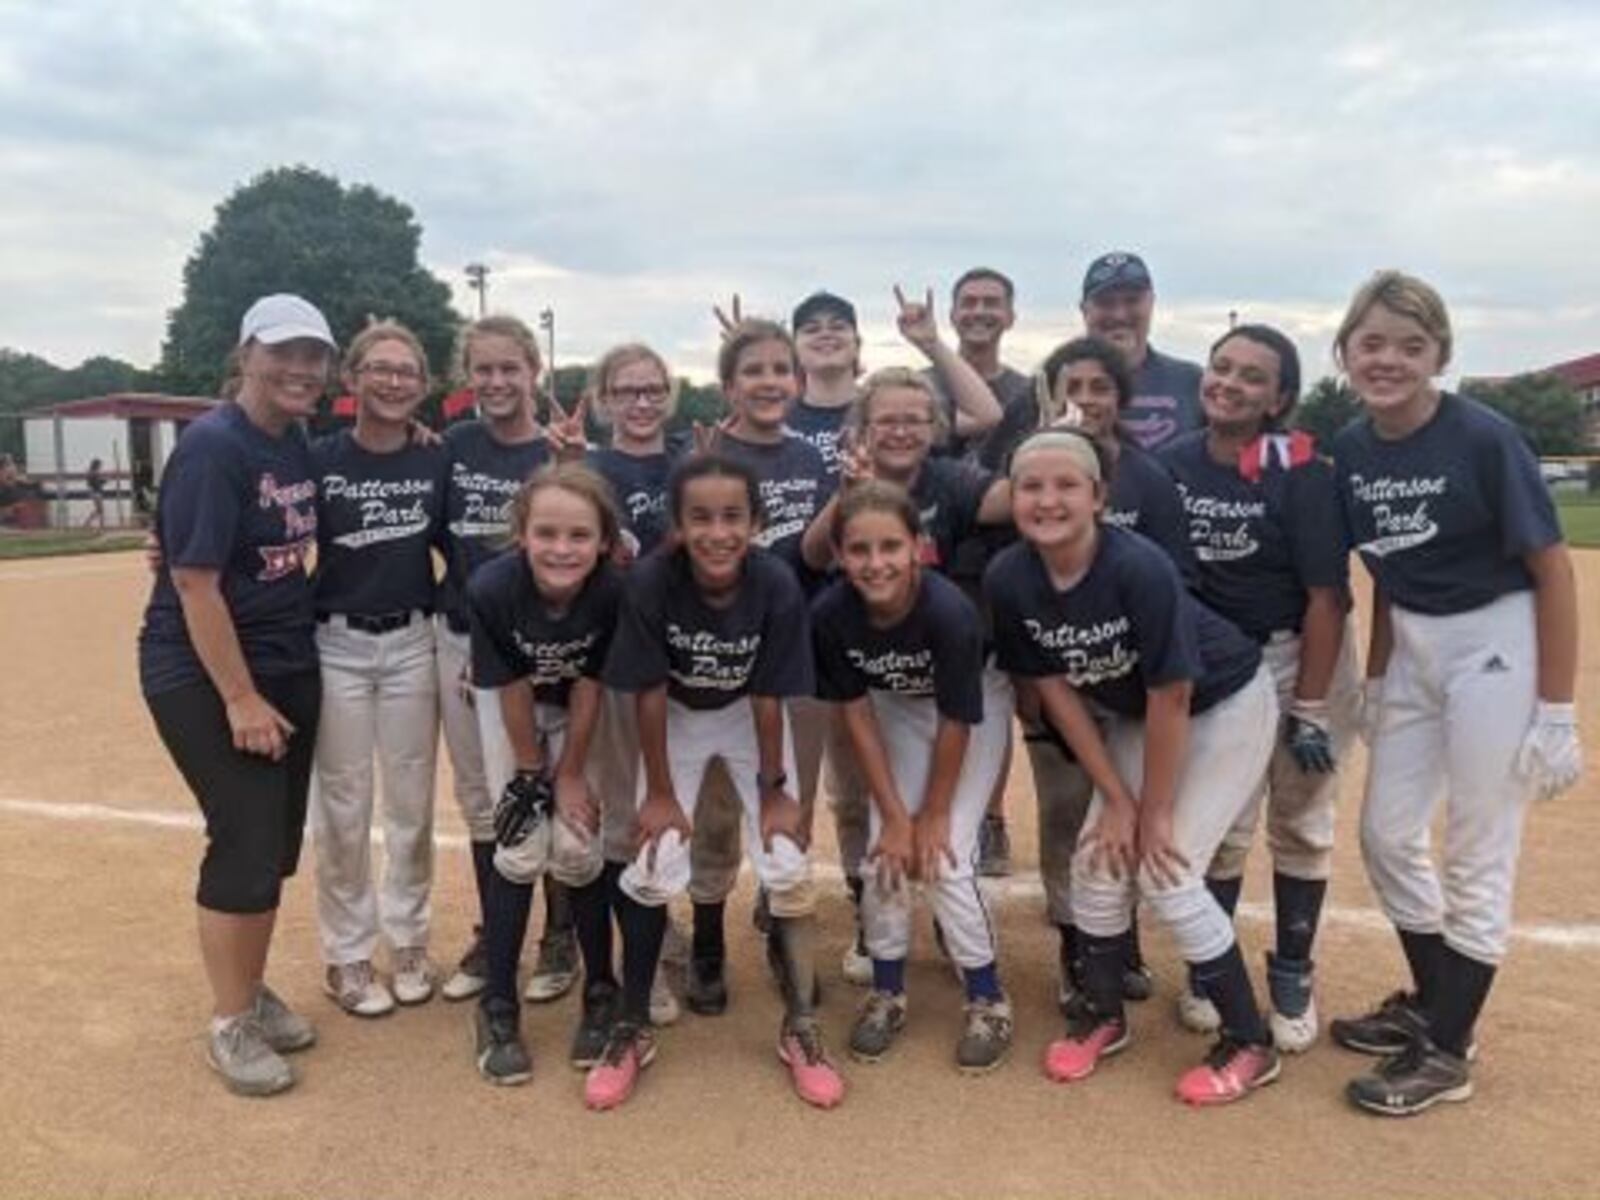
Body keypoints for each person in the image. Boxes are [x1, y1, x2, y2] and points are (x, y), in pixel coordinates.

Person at [1327, 271, 1582, 1116]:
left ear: (1439, 354)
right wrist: (1374, 676)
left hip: (1496, 639)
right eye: (1372, 343)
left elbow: (1552, 569)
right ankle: (1438, 1005)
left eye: (1411, 345)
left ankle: (1448, 1049)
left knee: (1478, 849)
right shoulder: (1354, 447)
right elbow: (1390, 572)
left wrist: (1556, 709)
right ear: (1346, 351)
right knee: (1387, 835)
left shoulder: (1483, 437)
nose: (1389, 359)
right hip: (1418, 648)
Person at [987, 428, 1283, 1105]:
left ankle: (1250, 1040)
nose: (1048, 499)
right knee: (1098, 856)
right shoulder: (1011, 577)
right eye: (1031, 486)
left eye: (1067, 485)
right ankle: (1101, 1013)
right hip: (1135, 715)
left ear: (1098, 496)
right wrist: (1116, 800)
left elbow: (1171, 692)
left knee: (1166, 865)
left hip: (1222, 703)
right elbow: (1055, 690)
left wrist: (1151, 810)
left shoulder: (1137, 565)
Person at [608, 452, 846, 1109]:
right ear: (678, 526)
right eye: (701, 518)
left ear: (757, 522)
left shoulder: (774, 583)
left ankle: (801, 1026)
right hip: (679, 716)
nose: (718, 532)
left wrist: (774, 790)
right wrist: (659, 792)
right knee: (656, 856)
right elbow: (650, 692)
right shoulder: (654, 580)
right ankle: (629, 1028)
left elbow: (770, 695)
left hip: (746, 714)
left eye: (733, 517)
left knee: (786, 858)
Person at [138, 293, 330, 1096]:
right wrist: (241, 699)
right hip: (208, 670)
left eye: (314, 356)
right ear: (245, 352)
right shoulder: (216, 446)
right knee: (245, 839)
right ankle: (228, 1020)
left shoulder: (294, 443)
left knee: (276, 846)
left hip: (284, 656)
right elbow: (192, 582)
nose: (300, 369)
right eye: (283, 352)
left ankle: (248, 990)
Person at [1160, 324, 1357, 1052]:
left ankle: (1294, 969)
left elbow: (1326, 598)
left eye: (1251, 376)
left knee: (1301, 818)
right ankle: (1212, 965)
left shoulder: (1299, 467)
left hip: (1303, 650)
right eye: (1221, 367)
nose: (1229, 383)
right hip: (1224, 664)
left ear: (1279, 399)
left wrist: (1308, 708)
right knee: (1223, 823)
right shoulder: (1175, 461)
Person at [465, 464, 648, 1109]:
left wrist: (569, 774)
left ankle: (600, 989)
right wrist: (528, 774)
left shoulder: (612, 591)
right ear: (521, 534)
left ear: (604, 542)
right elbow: (510, 684)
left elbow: (590, 684)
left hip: (579, 709)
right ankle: (497, 1005)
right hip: (510, 709)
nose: (561, 548)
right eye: (546, 532)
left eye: (579, 535)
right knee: (517, 849)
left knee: (576, 847)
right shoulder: (492, 587)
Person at [814, 481, 1013, 1072]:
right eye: (859, 550)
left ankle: (987, 998)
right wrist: (896, 817)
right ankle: (887, 988)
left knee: (945, 856)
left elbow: (957, 719)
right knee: (884, 854)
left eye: (890, 547)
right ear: (841, 554)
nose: (876, 564)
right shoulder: (830, 613)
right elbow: (856, 714)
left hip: (971, 709)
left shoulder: (948, 612)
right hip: (894, 709)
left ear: (918, 547)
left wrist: (930, 816)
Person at [1024, 334, 1198, 1006]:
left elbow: (1177, 580)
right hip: (1055, 671)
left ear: (1121, 400)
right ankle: (1076, 944)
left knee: (1122, 806)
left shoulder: (1148, 476)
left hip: (1125, 678)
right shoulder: (1029, 465)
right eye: (1073, 386)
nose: (1086, 400)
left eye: (1101, 388)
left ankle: (1121, 941)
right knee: (1065, 809)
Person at [305, 320, 449, 1017]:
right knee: (341, 804)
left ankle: (410, 940)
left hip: (411, 642)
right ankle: (349, 954)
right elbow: (264, 527)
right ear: (352, 379)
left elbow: (467, 547)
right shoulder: (317, 457)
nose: (394, 381)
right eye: (379, 368)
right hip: (336, 644)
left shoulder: (435, 458)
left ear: (422, 386)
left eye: (407, 371)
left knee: (412, 805)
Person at [434, 315, 576, 1008]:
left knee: (551, 790)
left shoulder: (558, 454)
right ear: (469, 377)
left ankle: (559, 935)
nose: (495, 382)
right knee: (486, 803)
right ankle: (497, 937)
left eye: (509, 369)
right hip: (463, 643)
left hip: (548, 648)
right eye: (483, 370)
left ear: (533, 372)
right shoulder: (451, 447)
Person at [1079, 252, 1202, 451]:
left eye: (1131, 301)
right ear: (1084, 310)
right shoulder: (1051, 385)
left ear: (1151, 303)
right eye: (1106, 303)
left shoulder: (1192, 382)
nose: (1119, 314)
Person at [928, 267, 1035, 469]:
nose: (979, 311)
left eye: (991, 303)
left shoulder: (1028, 393)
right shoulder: (922, 386)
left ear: (1010, 317)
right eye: (969, 303)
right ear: (952, 316)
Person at [84, 457, 107, 529]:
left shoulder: (91, 473)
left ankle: (96, 523)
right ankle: (91, 523)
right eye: (99, 465)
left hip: (95, 492)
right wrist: (103, 481)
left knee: (99, 509)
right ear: (96, 465)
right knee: (100, 509)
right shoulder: (94, 473)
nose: (100, 466)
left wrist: (102, 481)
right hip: (96, 492)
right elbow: (96, 483)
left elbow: (91, 483)